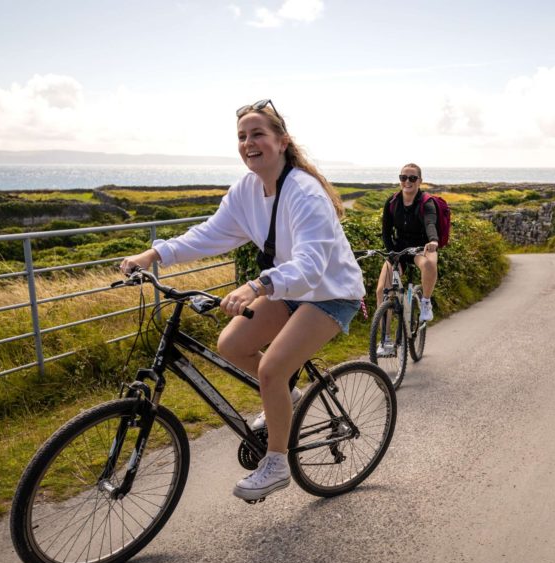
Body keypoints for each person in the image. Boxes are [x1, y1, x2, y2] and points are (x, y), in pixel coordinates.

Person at [119, 99, 365, 502]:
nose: (248, 143)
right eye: (242, 137)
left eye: (258, 135)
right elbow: (209, 234)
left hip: (331, 293)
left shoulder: (305, 193)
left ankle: (276, 463)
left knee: (270, 368)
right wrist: (156, 254)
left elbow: (311, 265)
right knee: (232, 344)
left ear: (282, 141)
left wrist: (256, 286)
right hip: (287, 288)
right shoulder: (247, 191)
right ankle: (289, 393)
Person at [376, 163, 439, 353]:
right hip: (399, 249)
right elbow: (386, 232)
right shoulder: (392, 202)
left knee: (428, 264)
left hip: (422, 247)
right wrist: (391, 253)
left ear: (420, 181)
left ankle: (426, 302)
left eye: (412, 178)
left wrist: (433, 240)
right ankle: (385, 339)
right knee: (382, 290)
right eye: (403, 177)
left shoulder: (426, 202)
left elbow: (430, 223)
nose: (407, 181)